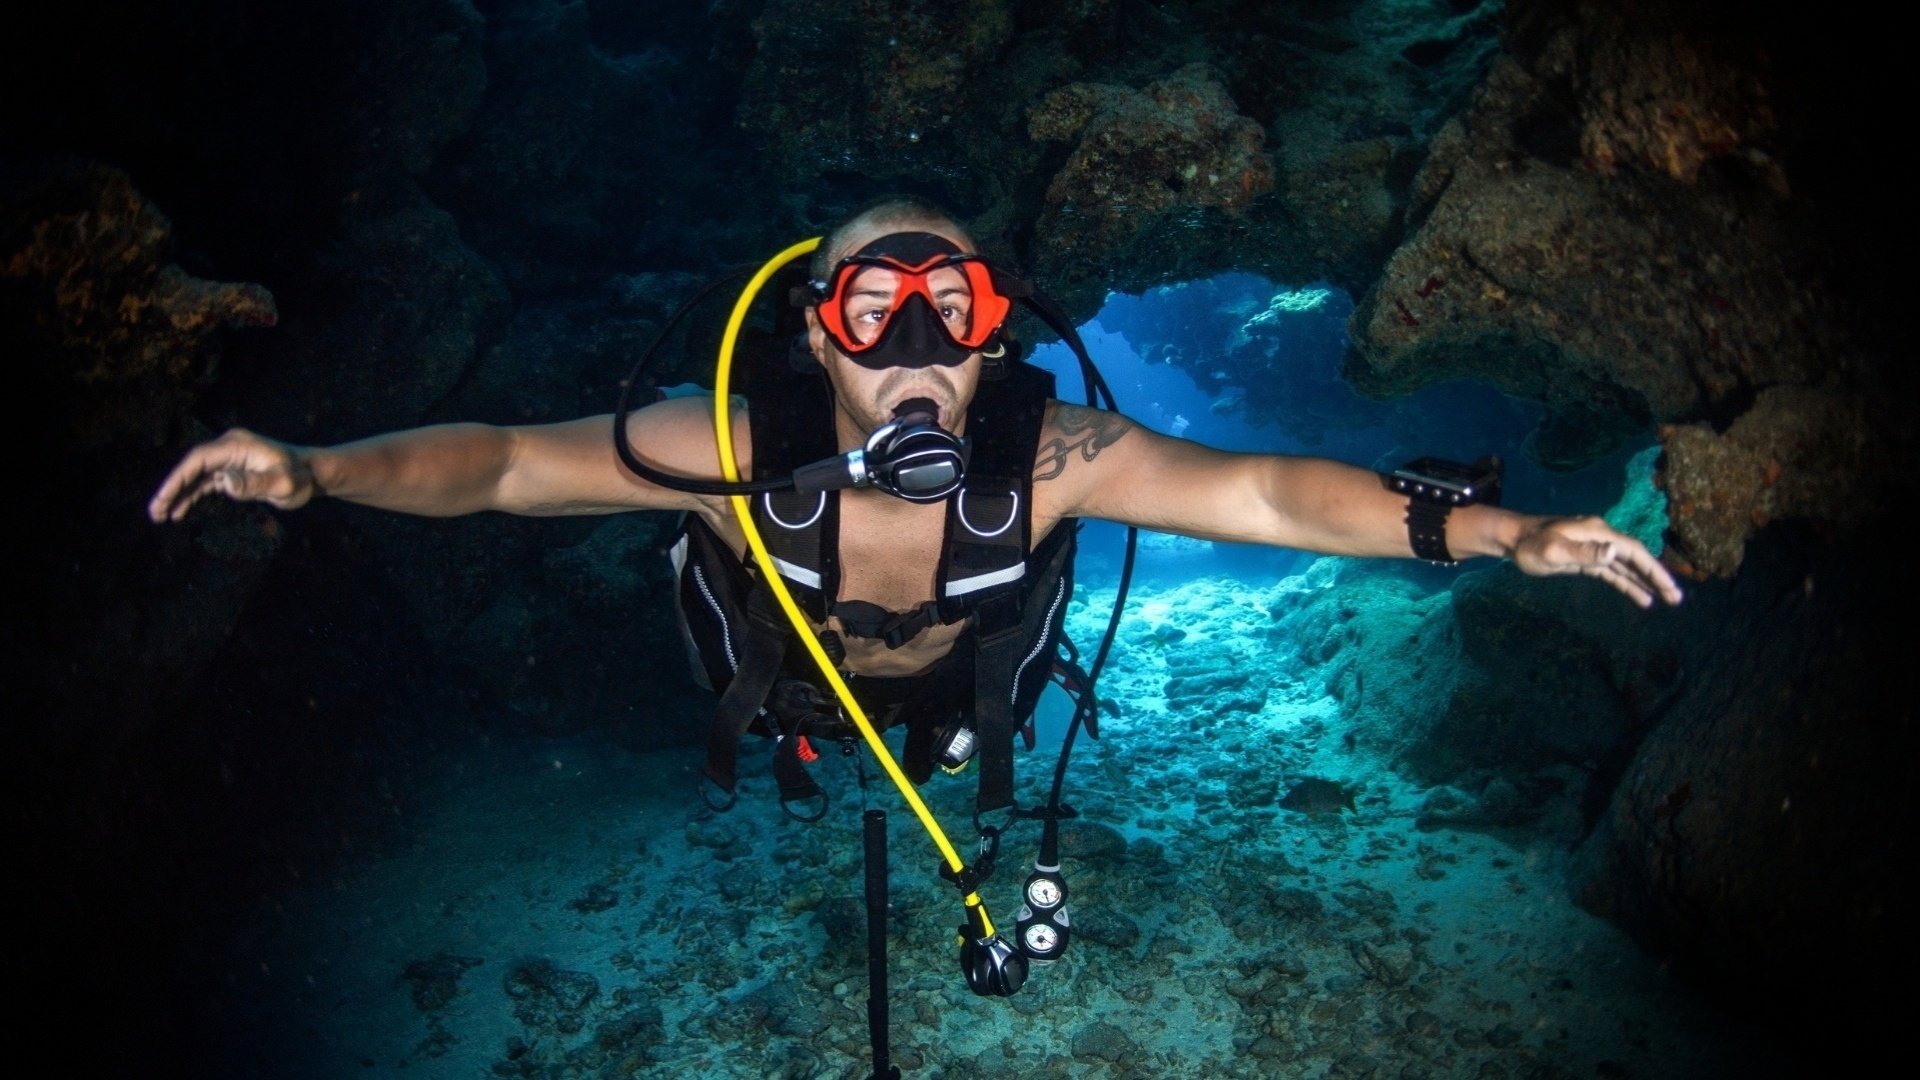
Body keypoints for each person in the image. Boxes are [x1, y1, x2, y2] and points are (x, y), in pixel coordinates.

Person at [149, 194, 1683, 799]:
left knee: (964, 722)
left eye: (956, 308)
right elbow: (497, 465)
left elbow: (1274, 496)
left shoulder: (1054, 455)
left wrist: (1500, 529)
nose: (920, 350)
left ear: (996, 329)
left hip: (959, 713)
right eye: (876, 310)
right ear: (820, 329)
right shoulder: (734, 446)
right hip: (788, 697)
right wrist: (320, 472)